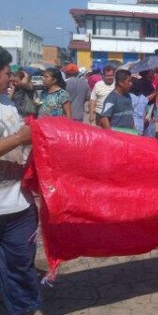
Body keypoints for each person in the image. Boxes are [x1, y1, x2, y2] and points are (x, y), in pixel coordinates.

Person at [0, 47, 43, 315]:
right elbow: (18, 140)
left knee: (21, 266)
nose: (11, 78)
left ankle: (23, 309)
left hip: (19, 205)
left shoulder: (7, 102)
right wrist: (19, 138)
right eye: (7, 72)